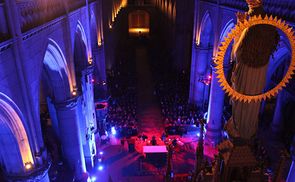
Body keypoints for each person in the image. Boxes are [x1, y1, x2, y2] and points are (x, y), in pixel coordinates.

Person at [230, 0, 279, 139]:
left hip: (244, 73)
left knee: (241, 100)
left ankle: (239, 129)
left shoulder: (249, 26)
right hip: (259, 74)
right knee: (252, 103)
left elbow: (236, 54)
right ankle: (247, 129)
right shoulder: (269, 26)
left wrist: (240, 25)